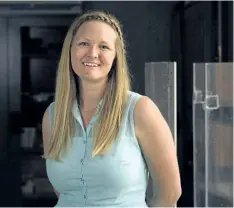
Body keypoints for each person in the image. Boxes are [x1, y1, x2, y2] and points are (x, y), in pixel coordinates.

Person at [42, 10, 181, 207]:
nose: (92, 53)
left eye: (104, 46)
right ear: (70, 49)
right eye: (84, 43)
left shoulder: (140, 110)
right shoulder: (52, 115)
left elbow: (169, 194)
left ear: (116, 57)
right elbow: (64, 193)